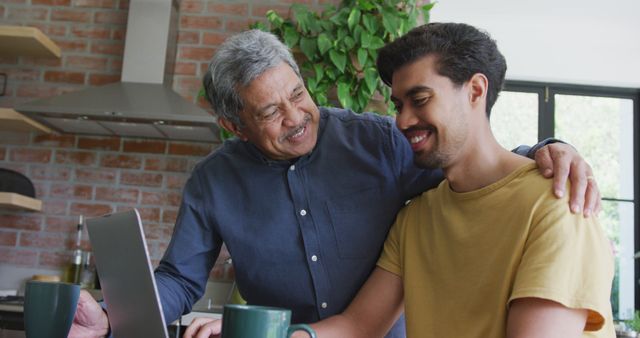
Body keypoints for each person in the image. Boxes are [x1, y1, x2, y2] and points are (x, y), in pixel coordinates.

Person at [68, 29, 601, 338]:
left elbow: (473, 161)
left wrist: (549, 154)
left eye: (298, 95)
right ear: (235, 125)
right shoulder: (215, 181)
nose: (297, 117)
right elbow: (181, 280)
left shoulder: (384, 143)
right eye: (271, 112)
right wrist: (115, 315)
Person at [300, 22, 615, 338]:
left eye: (420, 99)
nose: (402, 120)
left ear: (476, 90)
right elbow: (358, 326)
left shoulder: (559, 206)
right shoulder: (416, 218)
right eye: (399, 105)